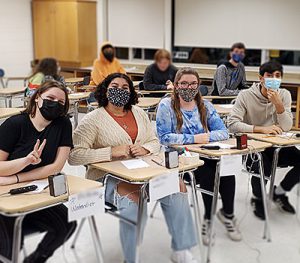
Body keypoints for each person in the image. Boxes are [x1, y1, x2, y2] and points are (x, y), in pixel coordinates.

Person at [69, 73, 198, 263]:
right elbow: (74, 156)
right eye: (114, 86)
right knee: (133, 195)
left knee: (177, 186)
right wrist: (110, 152)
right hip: (106, 177)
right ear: (105, 89)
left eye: (125, 88)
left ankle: (181, 247)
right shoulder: (92, 119)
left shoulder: (138, 113)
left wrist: (145, 148)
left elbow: (154, 141)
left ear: (131, 93)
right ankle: (132, 257)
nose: (119, 91)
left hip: (143, 172)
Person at [156, 67, 242, 245]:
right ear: (177, 85)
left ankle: (228, 214)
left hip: (204, 154)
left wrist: (205, 138)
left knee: (226, 171)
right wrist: (195, 138)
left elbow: (223, 132)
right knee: (210, 174)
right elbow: (164, 137)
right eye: (184, 83)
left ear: (198, 85)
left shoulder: (205, 105)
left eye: (193, 83)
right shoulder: (166, 105)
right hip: (178, 160)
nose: (189, 87)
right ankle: (208, 219)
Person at [0, 81, 76, 262]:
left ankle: (35, 259)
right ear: (37, 99)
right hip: (5, 196)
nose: (55, 103)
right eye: (50, 98)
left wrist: (16, 178)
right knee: (10, 246)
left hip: (35, 191)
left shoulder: (63, 124)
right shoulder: (14, 124)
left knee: (67, 224)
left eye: (60, 102)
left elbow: (56, 167)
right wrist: (26, 161)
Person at [228, 61, 300, 220]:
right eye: (269, 76)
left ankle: (279, 192)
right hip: (252, 146)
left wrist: (279, 105)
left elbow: (287, 127)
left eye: (277, 76)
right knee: (262, 167)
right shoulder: (245, 95)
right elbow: (232, 124)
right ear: (261, 78)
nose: (274, 79)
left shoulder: (284, 95)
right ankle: (258, 198)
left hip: (276, 145)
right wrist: (261, 129)